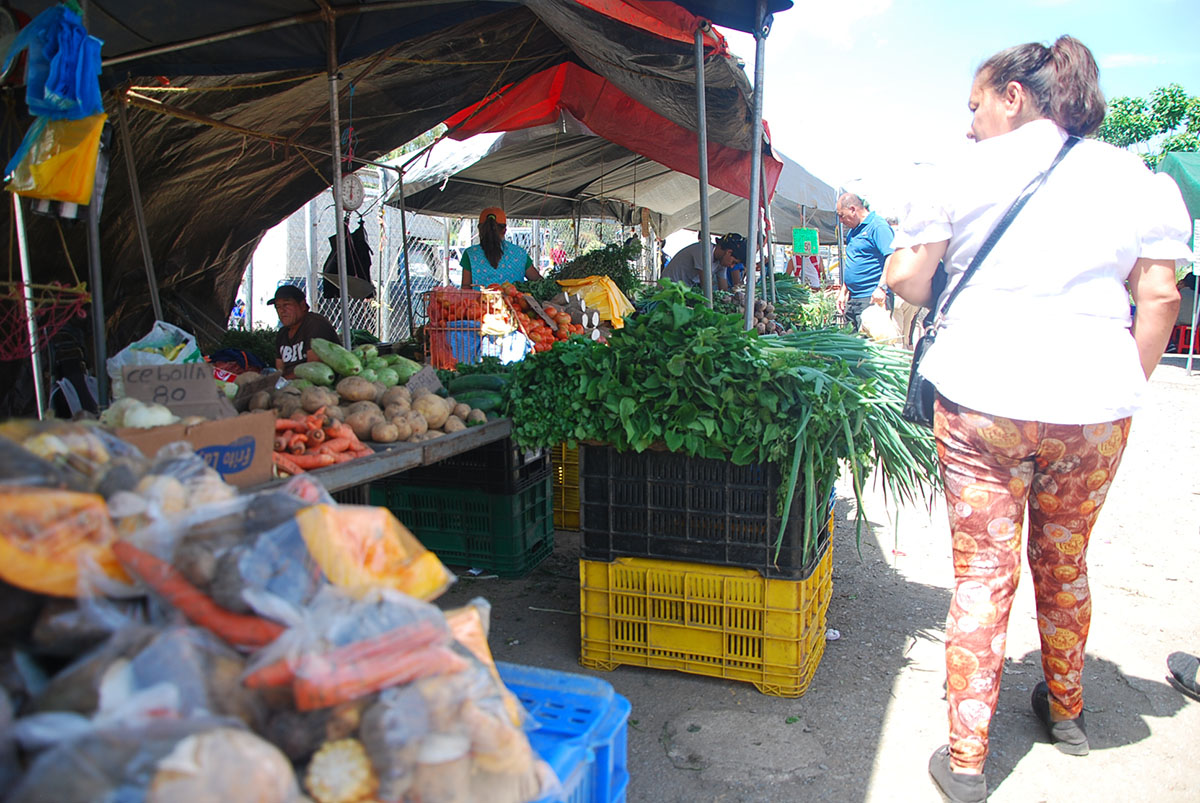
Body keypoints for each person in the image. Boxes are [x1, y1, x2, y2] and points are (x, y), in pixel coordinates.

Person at [885, 36, 1190, 803]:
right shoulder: (1137, 179)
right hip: (1092, 411)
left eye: (977, 103)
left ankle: (965, 758)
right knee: (1063, 563)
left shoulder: (958, 172)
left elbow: (912, 280)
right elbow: (1160, 297)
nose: (970, 122)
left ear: (1017, 96)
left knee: (983, 576)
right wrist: (1119, 384)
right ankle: (1068, 711)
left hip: (981, 400)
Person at [836, 192, 894, 331]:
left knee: (871, 345)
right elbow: (853, 262)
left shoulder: (878, 226)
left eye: (841, 215)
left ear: (852, 209)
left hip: (871, 298)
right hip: (853, 299)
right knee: (853, 344)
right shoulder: (853, 232)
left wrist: (882, 287)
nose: (841, 221)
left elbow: (891, 257)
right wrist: (844, 291)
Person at [269, 284, 340, 378]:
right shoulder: (282, 333)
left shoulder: (315, 324)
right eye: (278, 307)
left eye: (286, 305)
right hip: (290, 386)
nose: (282, 311)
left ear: (302, 306)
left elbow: (313, 367)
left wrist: (284, 381)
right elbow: (280, 370)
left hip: (316, 385)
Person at [461, 207, 542, 287]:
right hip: (515, 300)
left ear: (480, 229)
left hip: (481, 300)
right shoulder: (520, 254)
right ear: (504, 230)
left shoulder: (470, 254)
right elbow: (538, 281)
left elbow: (465, 289)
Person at [662, 233, 745, 292]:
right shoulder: (704, 251)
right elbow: (706, 287)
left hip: (684, 289)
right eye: (733, 262)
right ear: (729, 252)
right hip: (668, 287)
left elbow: (723, 289)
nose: (731, 266)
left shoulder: (721, 263)